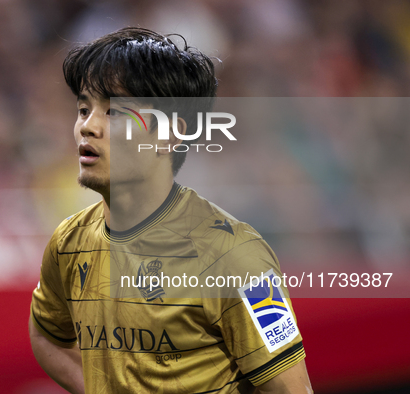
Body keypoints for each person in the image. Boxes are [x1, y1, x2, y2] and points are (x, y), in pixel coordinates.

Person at [29, 27, 313, 394]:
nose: (88, 126)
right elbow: (46, 335)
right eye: (84, 108)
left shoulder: (235, 256)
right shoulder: (68, 242)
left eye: (114, 112)